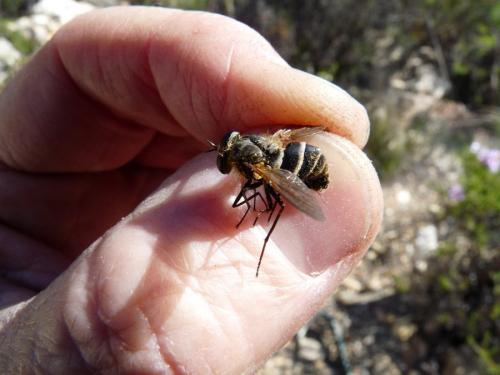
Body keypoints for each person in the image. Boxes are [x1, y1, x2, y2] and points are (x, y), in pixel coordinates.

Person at [0, 6, 382, 374]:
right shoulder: (269, 142)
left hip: (299, 166)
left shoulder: (259, 166)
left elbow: (275, 190)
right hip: (291, 151)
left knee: (266, 201)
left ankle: (269, 246)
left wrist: (267, 216)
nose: (225, 154)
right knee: (258, 196)